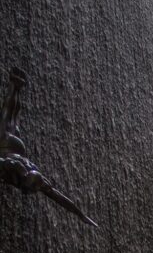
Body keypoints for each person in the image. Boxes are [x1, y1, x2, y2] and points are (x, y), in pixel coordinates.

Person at [0, 66, 97, 226]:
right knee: (9, 115)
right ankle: (14, 85)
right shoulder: (16, 169)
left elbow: (59, 197)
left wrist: (81, 215)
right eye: (31, 189)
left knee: (11, 117)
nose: (31, 192)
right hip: (6, 143)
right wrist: (81, 215)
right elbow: (58, 196)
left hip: (15, 147)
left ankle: (16, 85)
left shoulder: (34, 179)